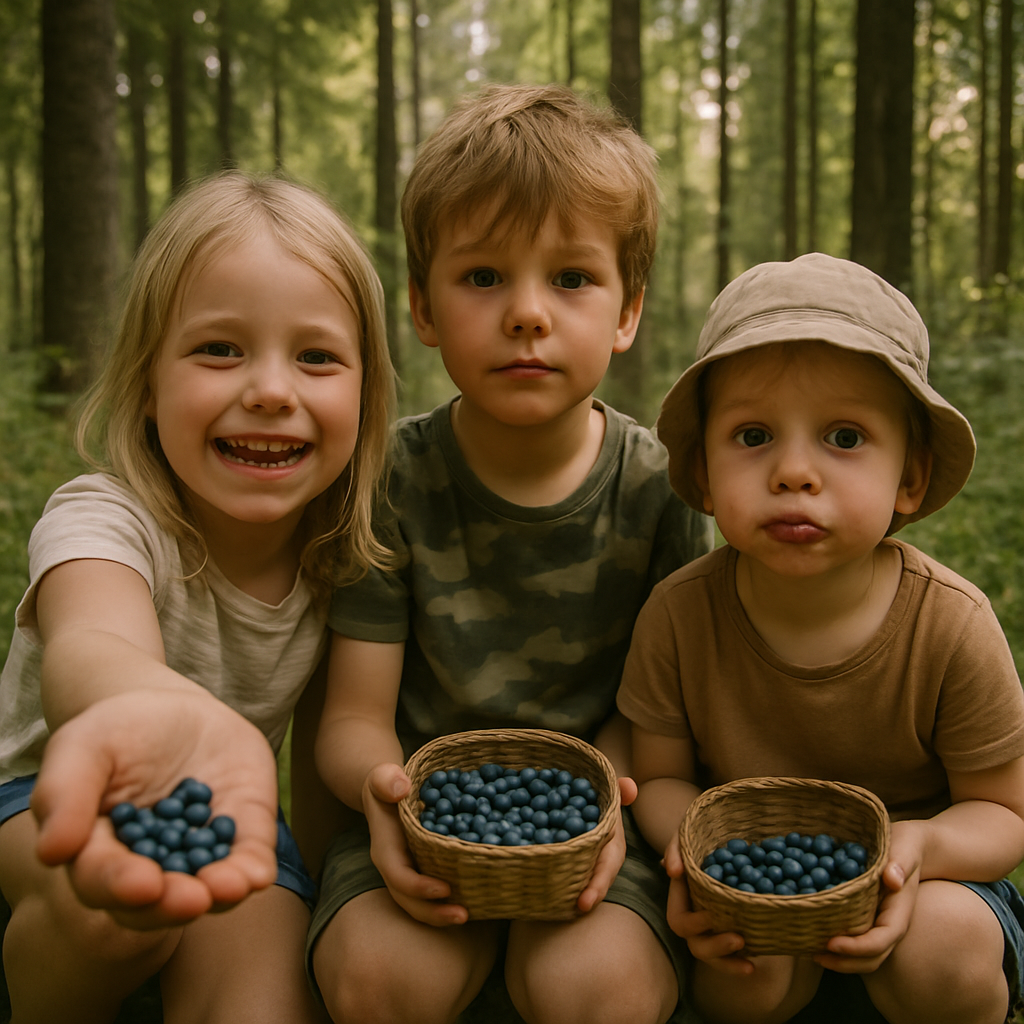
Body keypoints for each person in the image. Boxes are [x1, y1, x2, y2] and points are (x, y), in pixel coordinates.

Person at [306, 84, 713, 1024]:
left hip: (599, 815)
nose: (528, 313)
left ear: (627, 311)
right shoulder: (394, 479)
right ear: (422, 305)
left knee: (597, 988)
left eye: (571, 279)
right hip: (416, 819)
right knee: (381, 979)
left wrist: (598, 809)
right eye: (483, 277)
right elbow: (352, 718)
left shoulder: (658, 488)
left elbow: (656, 720)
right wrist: (391, 798)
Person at [0, 171, 395, 1023]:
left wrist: (328, 884)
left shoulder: (341, 557)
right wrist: (159, 713)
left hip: (226, 819)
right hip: (37, 800)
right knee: (113, 916)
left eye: (317, 357)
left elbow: (331, 749)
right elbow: (90, 643)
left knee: (258, 996)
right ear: (147, 382)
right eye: (220, 349)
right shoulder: (105, 517)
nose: (270, 389)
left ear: (366, 400)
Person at [617, 252, 1024, 1024]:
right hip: (751, 889)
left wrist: (915, 852)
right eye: (753, 435)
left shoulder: (949, 625)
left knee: (945, 946)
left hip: (927, 885)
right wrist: (709, 866)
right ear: (702, 471)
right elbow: (662, 779)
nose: (794, 471)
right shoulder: (679, 616)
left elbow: (1004, 815)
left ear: (910, 476)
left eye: (844, 436)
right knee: (746, 973)